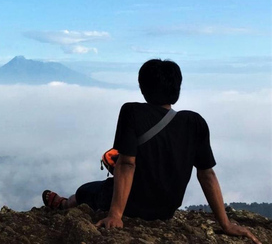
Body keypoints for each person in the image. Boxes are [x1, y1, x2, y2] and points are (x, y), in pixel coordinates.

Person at [42, 59, 260, 244]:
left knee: (84, 191)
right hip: (166, 210)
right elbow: (206, 174)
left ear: (143, 87)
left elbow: (127, 163)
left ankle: (63, 204)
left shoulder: (132, 111)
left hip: (132, 206)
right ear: (177, 89)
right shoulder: (195, 122)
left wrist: (115, 215)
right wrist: (226, 224)